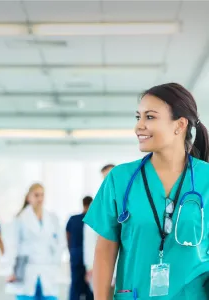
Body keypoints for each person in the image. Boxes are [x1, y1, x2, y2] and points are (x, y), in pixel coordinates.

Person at [84, 83, 209, 299]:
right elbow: (105, 249)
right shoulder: (120, 179)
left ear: (179, 125)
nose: (138, 126)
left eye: (149, 117)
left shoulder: (206, 178)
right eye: (138, 117)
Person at [6, 183, 65, 300]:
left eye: (42, 195)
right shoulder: (21, 218)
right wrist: (11, 270)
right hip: (27, 269)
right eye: (36, 195)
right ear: (29, 197)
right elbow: (13, 246)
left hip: (48, 268)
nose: (40, 198)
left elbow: (60, 243)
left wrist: (56, 261)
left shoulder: (52, 218)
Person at [83, 164, 115, 297]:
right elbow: (89, 239)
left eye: (111, 176)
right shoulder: (98, 204)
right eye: (105, 177)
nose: (108, 180)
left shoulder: (130, 200)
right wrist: (90, 266)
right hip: (103, 266)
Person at [66, 196, 94, 300]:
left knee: (75, 287)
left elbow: (67, 235)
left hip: (76, 255)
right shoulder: (92, 220)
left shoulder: (73, 219)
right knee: (90, 288)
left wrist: (71, 250)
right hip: (88, 258)